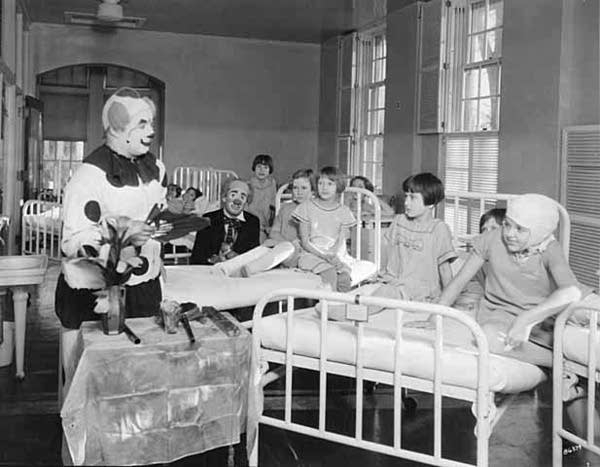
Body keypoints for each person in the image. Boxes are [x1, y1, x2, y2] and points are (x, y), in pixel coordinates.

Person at [56, 87, 166, 332]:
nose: (151, 131)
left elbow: (158, 212)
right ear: (116, 128)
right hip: (95, 295)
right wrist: (119, 243)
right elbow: (74, 240)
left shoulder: (156, 169)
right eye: (142, 124)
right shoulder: (88, 177)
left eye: (151, 123)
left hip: (145, 287)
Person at [215, 168, 314, 277]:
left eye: (304, 188)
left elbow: (313, 240)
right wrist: (284, 242)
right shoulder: (285, 208)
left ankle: (250, 269)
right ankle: (225, 268)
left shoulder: (314, 210)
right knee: (262, 250)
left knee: (287, 247)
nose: (299, 192)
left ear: (313, 191)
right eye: (295, 188)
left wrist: (292, 243)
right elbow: (274, 233)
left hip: (298, 254)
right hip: (278, 247)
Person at [293, 166, 356, 292]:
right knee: (330, 273)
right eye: (320, 183)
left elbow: (341, 242)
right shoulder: (306, 207)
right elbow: (305, 242)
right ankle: (328, 307)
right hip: (311, 254)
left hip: (334, 255)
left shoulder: (344, 211)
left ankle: (342, 309)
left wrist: (334, 256)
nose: (324, 187)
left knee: (344, 278)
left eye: (330, 184)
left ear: (338, 186)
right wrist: (323, 256)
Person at [190, 178, 260, 265]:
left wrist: (237, 258)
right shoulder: (208, 219)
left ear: (246, 202)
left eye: (242, 197)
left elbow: (253, 257)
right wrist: (212, 261)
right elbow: (197, 256)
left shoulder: (253, 222)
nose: (237, 201)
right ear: (224, 197)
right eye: (233, 195)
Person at [246, 154, 277, 243]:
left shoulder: (272, 184)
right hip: (251, 221)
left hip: (266, 222)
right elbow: (246, 207)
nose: (262, 170)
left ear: (270, 170)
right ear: (254, 168)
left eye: (265, 167)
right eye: (259, 166)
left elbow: (273, 205)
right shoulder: (249, 184)